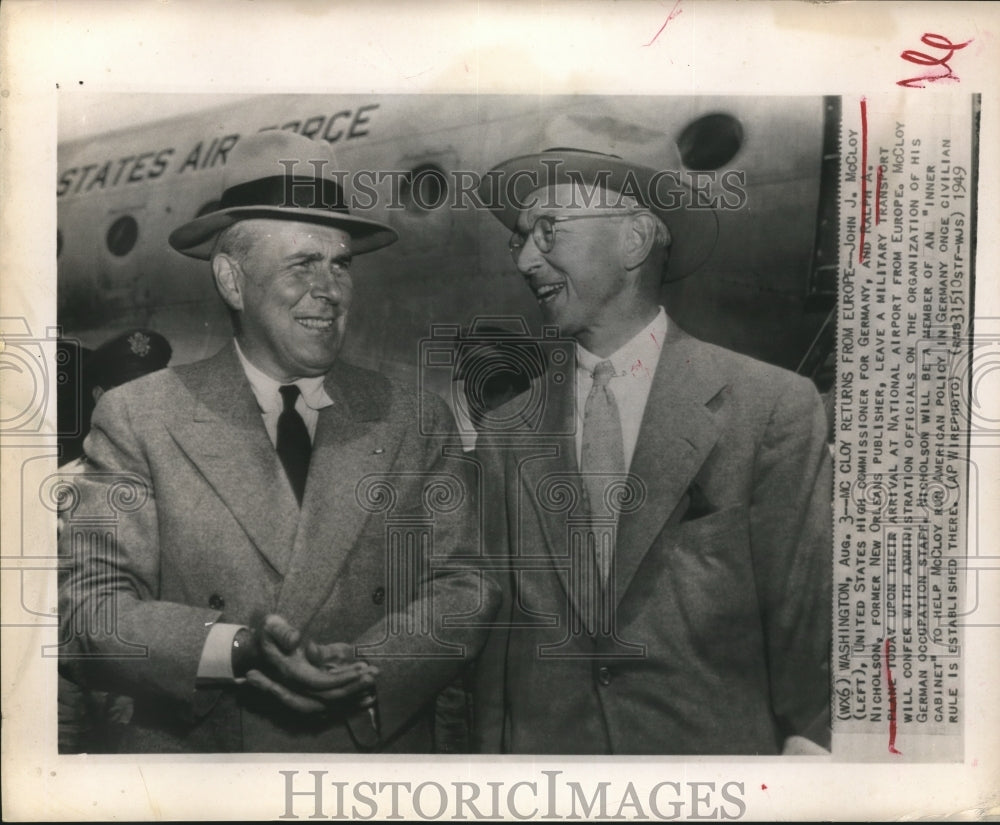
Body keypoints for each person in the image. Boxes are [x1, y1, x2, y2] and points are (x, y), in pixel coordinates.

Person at [58, 130, 499, 753]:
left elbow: (465, 585)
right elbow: (93, 611)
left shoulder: (412, 417)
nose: (330, 289)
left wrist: (367, 667)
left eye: (341, 263)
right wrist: (237, 651)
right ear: (232, 281)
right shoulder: (140, 416)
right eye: (302, 263)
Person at [472, 147, 832, 755]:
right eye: (520, 241)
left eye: (548, 231)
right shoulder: (507, 430)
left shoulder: (772, 409)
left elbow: (806, 631)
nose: (527, 259)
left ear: (634, 240)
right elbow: (493, 651)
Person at [58, 328, 172, 753]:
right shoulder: (61, 485)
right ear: (99, 396)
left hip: (146, 668)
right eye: (129, 393)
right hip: (69, 669)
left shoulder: (186, 486)